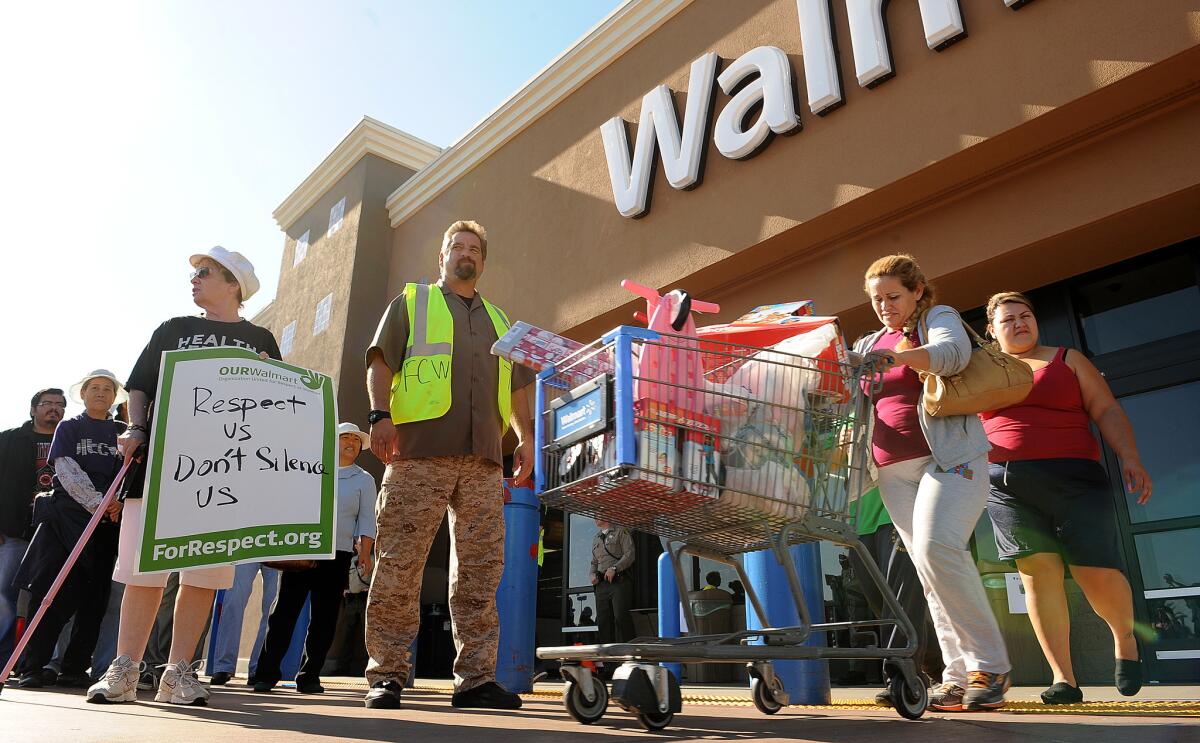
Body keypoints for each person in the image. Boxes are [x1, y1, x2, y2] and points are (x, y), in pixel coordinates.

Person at [87, 246, 279, 706]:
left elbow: (277, 402)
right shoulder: (173, 329)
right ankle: (126, 670)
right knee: (141, 568)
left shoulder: (262, 340)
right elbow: (141, 385)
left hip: (226, 473)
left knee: (205, 572)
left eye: (205, 273)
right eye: (194, 273)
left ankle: (177, 673)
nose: (194, 279)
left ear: (233, 284)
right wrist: (135, 426)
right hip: (160, 463)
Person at [363, 220, 534, 710]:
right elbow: (380, 362)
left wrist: (524, 437)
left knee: (480, 571)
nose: (466, 253)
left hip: (482, 460)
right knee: (399, 563)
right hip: (418, 452)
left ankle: (476, 680)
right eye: (457, 246)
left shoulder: (502, 321)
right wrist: (380, 415)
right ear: (442, 257)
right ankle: (388, 674)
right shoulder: (412, 302)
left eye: (475, 248)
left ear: (483, 261)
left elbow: (518, 387)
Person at [854, 254, 1011, 711]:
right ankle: (957, 677)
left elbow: (951, 354)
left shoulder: (937, 319)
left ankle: (991, 665)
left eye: (893, 296)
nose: (885, 306)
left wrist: (898, 356)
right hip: (891, 473)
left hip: (947, 458)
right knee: (928, 570)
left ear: (917, 291)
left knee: (937, 548)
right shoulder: (869, 341)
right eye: (876, 299)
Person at [980, 291, 1152, 704]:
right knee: (1037, 577)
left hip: (1074, 476)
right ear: (991, 330)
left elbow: (1106, 409)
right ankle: (1064, 679)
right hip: (1005, 484)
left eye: (1026, 316)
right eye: (1009, 319)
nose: (1020, 323)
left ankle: (1124, 638)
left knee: (1096, 573)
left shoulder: (1067, 359)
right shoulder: (981, 370)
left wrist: (1129, 456)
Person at [12, 371, 127, 688]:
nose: (101, 393)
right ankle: (33, 666)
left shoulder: (121, 433)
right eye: (94, 388)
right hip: (68, 519)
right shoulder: (70, 426)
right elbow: (66, 468)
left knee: (94, 597)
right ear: (84, 394)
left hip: (106, 524)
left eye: (107, 389)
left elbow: (128, 473)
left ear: (115, 396)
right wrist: (98, 503)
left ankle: (75, 667)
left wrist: (115, 503)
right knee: (49, 591)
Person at [252, 423, 377, 694]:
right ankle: (266, 674)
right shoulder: (309, 468)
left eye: (356, 440)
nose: (351, 443)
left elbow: (367, 518)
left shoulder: (364, 479)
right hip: (303, 550)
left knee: (325, 618)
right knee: (283, 613)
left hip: (339, 554)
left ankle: (309, 676)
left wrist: (365, 552)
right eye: (345, 437)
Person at [847, 486, 943, 706]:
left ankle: (901, 675)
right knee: (883, 605)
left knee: (900, 600)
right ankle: (939, 666)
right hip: (859, 515)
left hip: (897, 508)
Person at [0, 387, 65, 656]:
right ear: (33, 409)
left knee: (52, 600)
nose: (54, 408)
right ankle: (3, 661)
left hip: (56, 535)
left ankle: (39, 663)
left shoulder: (72, 440)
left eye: (60, 404)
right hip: (12, 532)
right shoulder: (9, 440)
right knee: (4, 598)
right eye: (47, 403)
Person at [207, 562, 280, 686]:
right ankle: (223, 667)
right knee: (233, 602)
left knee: (273, 609)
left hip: (280, 546)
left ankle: (258, 668)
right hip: (248, 546)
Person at [590, 518, 635, 644]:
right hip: (601, 584)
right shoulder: (596, 538)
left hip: (619, 581)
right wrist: (592, 574)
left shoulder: (621, 531)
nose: (595, 517)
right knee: (603, 622)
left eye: (598, 513)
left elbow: (630, 554)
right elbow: (594, 562)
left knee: (621, 617)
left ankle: (629, 652)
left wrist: (615, 568)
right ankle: (609, 661)